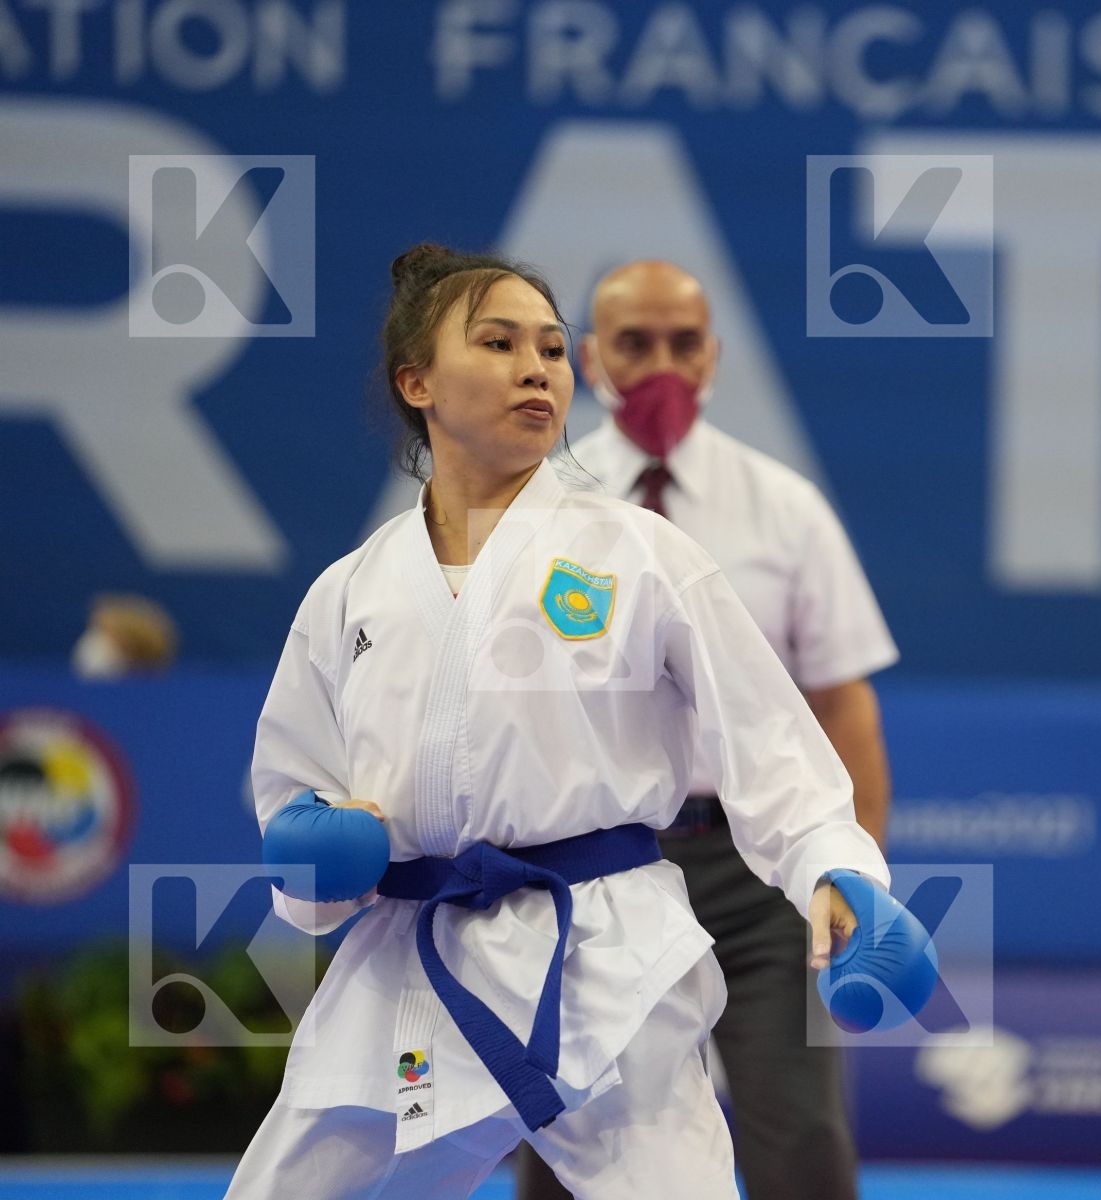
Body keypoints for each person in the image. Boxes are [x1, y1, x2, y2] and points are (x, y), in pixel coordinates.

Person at [226, 243, 895, 1199]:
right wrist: (311, 853)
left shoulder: (641, 553)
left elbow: (772, 740)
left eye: (548, 348)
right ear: (417, 381)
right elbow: (292, 782)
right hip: (408, 963)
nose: (536, 367)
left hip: (602, 954)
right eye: (498, 343)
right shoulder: (352, 591)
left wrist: (837, 866)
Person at [514, 260, 897, 1200]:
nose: (661, 368)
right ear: (592, 358)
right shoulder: (539, 508)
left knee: (800, 1135)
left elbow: (842, 704)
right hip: (596, 860)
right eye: (635, 344)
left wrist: (855, 875)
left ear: (713, 355)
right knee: (572, 1134)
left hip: (755, 865)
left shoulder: (784, 507)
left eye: (683, 344)